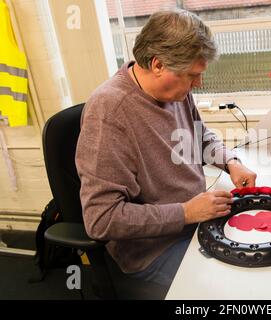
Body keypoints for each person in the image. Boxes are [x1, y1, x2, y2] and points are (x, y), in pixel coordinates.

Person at [75, 9, 257, 299]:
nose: (198, 84)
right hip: (153, 249)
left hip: (195, 220)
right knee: (235, 291)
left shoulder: (175, 90)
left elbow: (200, 137)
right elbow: (101, 219)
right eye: (192, 76)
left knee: (260, 255)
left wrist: (231, 162)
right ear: (158, 65)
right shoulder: (109, 113)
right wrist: (186, 212)